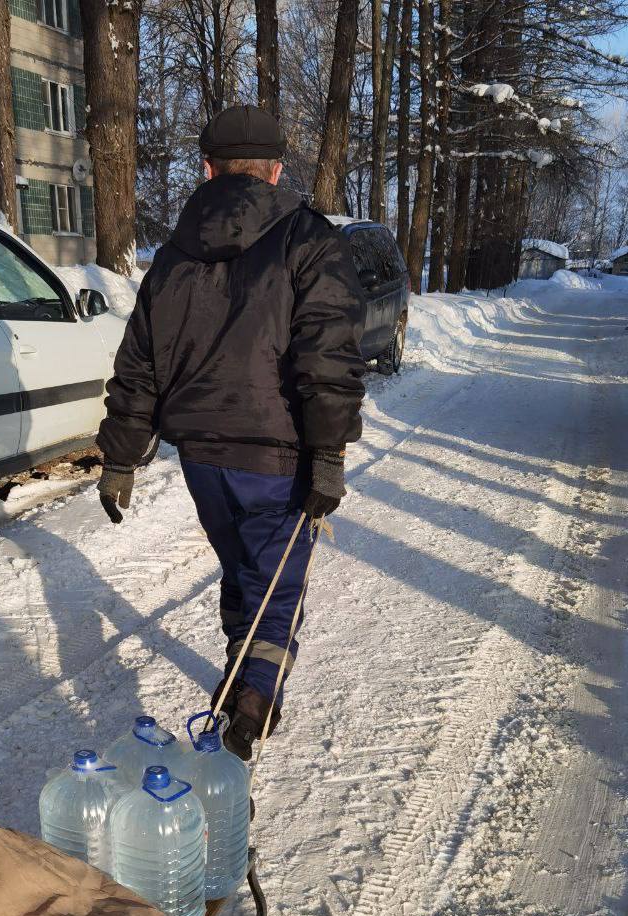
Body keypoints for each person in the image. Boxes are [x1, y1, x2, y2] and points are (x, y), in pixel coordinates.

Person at [97, 104, 366, 760]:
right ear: (275, 170)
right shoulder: (311, 242)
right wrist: (327, 452)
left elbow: (140, 362)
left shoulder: (171, 256)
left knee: (244, 569)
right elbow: (326, 358)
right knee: (277, 580)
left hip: (203, 459)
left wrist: (122, 457)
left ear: (209, 168)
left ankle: (241, 672)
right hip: (279, 457)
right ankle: (253, 704)